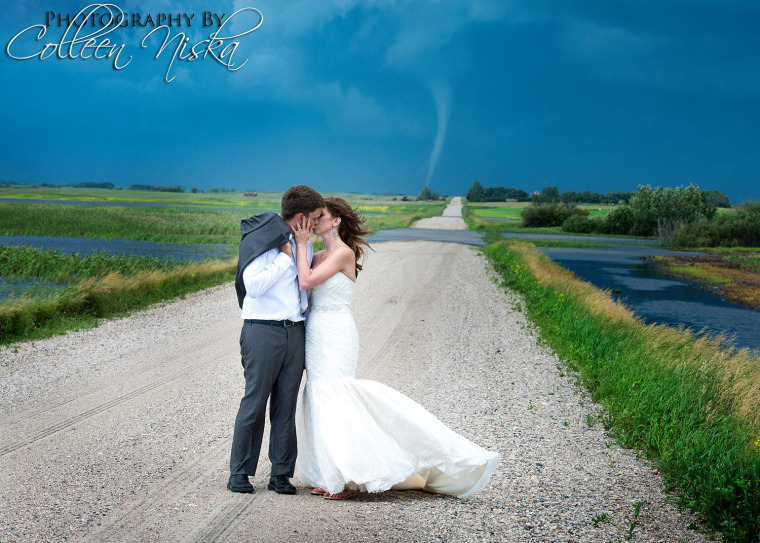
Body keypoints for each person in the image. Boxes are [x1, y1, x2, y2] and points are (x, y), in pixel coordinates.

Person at [292, 197, 500, 500]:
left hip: (337, 332)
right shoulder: (318, 253)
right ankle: (331, 473)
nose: (314, 220)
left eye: (320, 215)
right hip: (316, 332)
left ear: (336, 221)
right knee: (318, 395)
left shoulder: (342, 254)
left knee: (337, 396)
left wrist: (300, 244)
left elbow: (306, 281)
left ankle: (348, 477)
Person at [228, 185, 325, 495]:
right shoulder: (263, 241)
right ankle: (240, 473)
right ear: (300, 217)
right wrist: (286, 256)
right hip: (262, 331)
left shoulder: (305, 246)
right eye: (314, 218)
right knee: (255, 403)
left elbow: (303, 291)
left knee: (286, 406)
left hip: (294, 331)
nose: (317, 223)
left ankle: (281, 474)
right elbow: (253, 287)